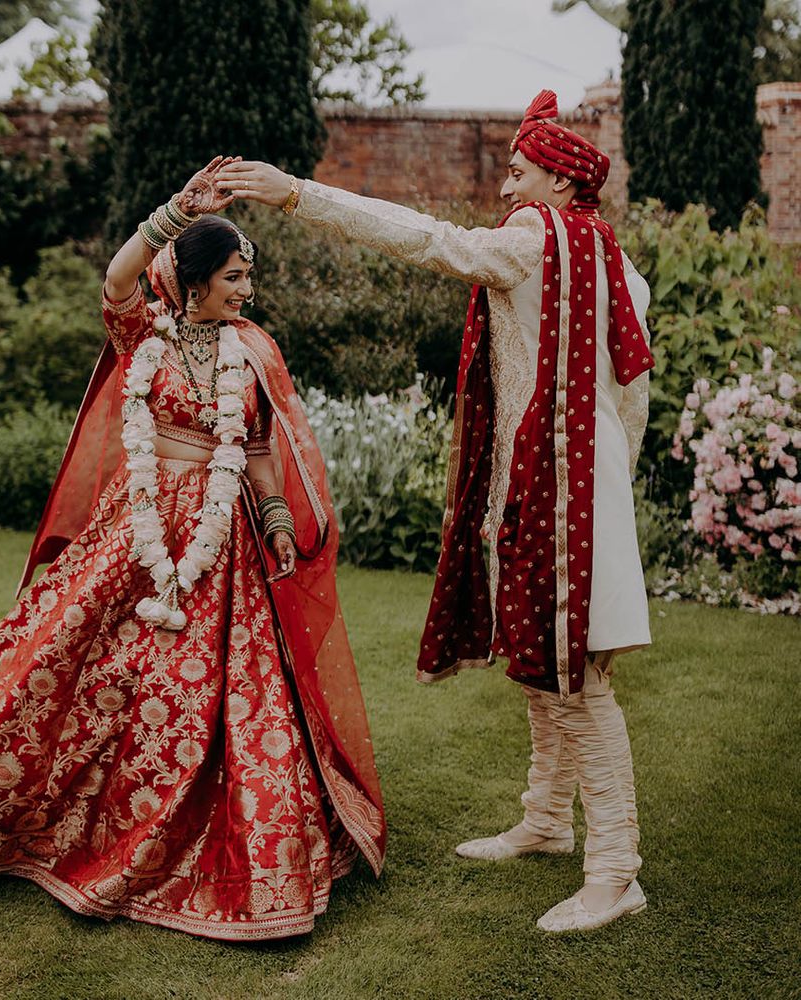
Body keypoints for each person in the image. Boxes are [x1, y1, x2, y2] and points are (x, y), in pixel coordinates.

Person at [0, 157, 385, 942]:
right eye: (235, 277)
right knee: (62, 663)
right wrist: (177, 208)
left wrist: (274, 516)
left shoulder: (255, 350)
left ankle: (209, 840)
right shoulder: (148, 335)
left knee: (214, 694)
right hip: (134, 532)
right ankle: (4, 817)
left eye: (249, 278)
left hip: (222, 539)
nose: (247, 291)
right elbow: (117, 276)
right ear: (197, 280)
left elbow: (264, 446)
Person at [219, 90, 654, 933]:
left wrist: (297, 193)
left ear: (562, 185)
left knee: (578, 681)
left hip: (563, 488)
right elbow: (633, 391)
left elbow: (427, 240)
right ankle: (546, 818)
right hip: (577, 479)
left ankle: (616, 870)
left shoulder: (534, 244)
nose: (504, 188)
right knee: (544, 658)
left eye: (519, 171)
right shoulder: (614, 259)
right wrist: (608, 480)